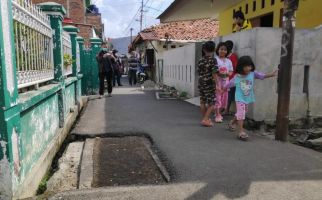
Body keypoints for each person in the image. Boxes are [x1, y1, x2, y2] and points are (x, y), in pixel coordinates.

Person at [225, 56, 278, 141]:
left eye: (249, 66)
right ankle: (241, 132)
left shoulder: (252, 73)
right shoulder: (237, 77)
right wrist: (223, 89)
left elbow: (262, 76)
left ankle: (232, 123)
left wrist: (271, 74)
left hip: (247, 98)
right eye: (245, 66)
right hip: (239, 98)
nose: (248, 68)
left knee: (242, 112)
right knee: (241, 114)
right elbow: (229, 84)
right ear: (240, 67)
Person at [198, 41, 218, 127]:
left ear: (204, 49)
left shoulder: (200, 60)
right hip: (209, 84)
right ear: (214, 49)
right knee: (212, 103)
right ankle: (205, 119)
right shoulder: (213, 60)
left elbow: (198, 72)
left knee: (202, 101)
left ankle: (204, 119)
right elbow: (214, 73)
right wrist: (217, 84)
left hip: (201, 82)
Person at [214, 42, 234, 123]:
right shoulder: (215, 59)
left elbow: (231, 71)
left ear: (227, 51)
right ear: (218, 50)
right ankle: (217, 115)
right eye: (221, 49)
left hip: (226, 83)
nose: (223, 51)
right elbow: (214, 71)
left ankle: (219, 113)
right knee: (217, 99)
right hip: (217, 82)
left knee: (224, 100)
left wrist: (227, 74)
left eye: (225, 50)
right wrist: (219, 73)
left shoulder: (229, 61)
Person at [224, 40, 238, 115]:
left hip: (231, 79)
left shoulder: (233, 56)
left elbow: (235, 67)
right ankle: (224, 109)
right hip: (225, 78)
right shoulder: (225, 56)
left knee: (229, 96)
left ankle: (227, 110)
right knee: (226, 95)